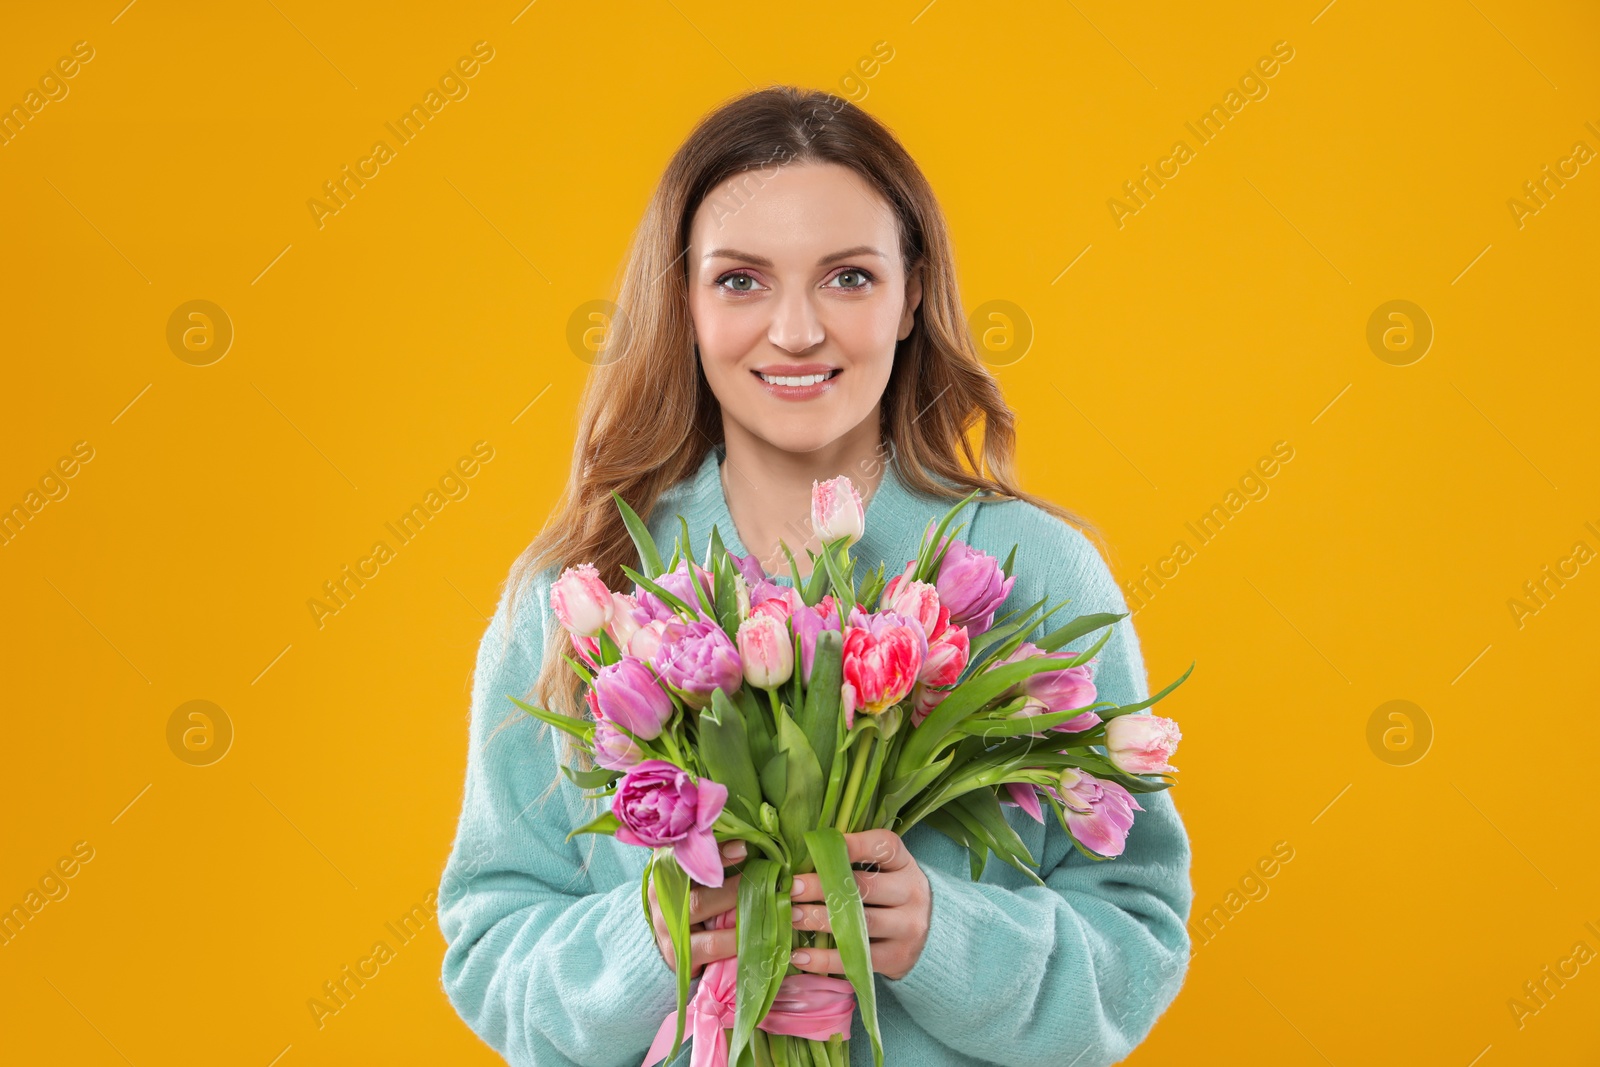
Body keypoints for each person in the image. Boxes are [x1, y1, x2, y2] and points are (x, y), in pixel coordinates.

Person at [437, 85, 1193, 1067]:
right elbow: (492, 946)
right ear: (684, 299)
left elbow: (1136, 932)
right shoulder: (583, 589)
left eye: (846, 277)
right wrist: (650, 937)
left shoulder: (1035, 572)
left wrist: (944, 936)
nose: (795, 331)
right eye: (740, 281)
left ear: (912, 292)